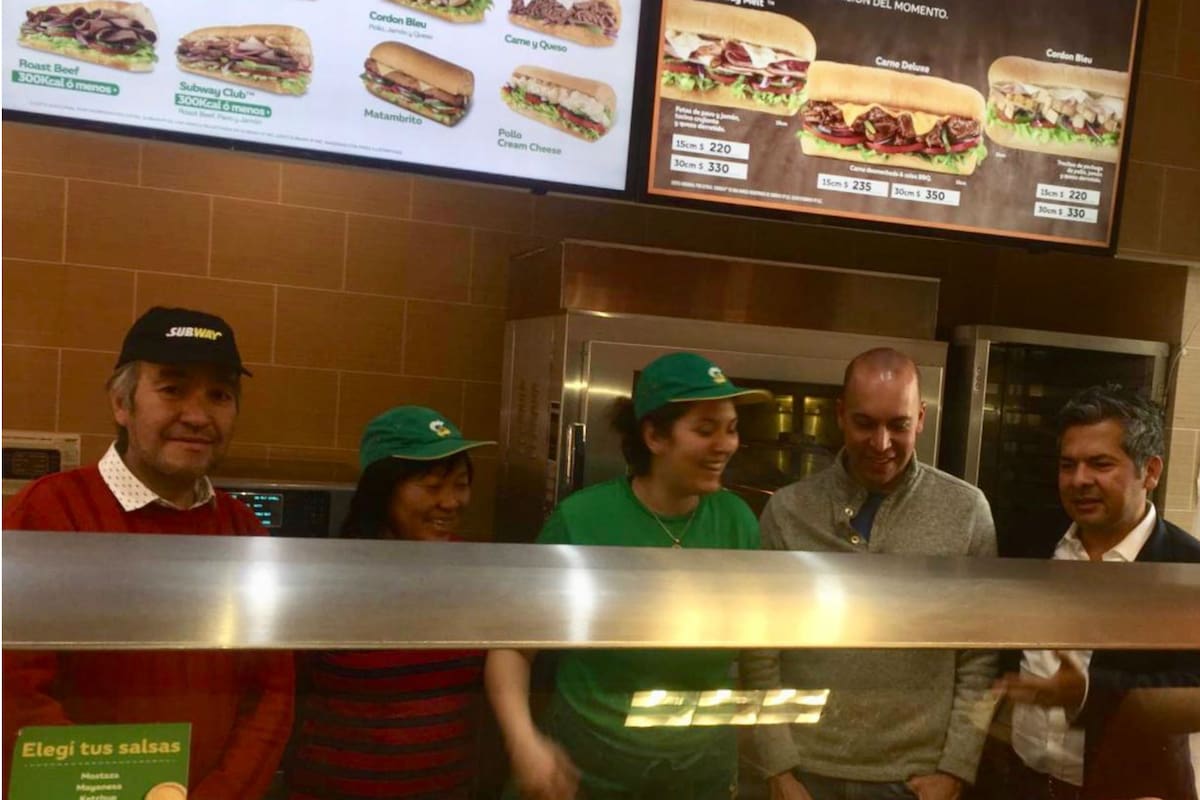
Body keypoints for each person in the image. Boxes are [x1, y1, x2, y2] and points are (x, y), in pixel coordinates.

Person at [2, 306, 295, 799]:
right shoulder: (44, 512)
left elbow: (273, 691)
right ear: (122, 403)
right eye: (172, 388)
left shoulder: (243, 530)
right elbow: (14, 694)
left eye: (219, 395)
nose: (198, 415)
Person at [486, 351, 771, 800]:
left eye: (732, 428)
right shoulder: (582, 519)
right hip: (588, 769)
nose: (726, 445)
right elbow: (513, 647)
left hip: (700, 775)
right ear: (654, 435)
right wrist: (524, 743)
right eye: (705, 429)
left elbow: (756, 643)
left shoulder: (738, 520)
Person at [742, 347, 997, 800]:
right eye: (865, 423)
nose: (881, 444)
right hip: (807, 770)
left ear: (920, 419)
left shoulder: (966, 511)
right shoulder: (788, 510)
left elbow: (978, 656)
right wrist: (777, 766)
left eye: (898, 425)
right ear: (840, 415)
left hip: (914, 777)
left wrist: (955, 769)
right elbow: (761, 650)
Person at [994, 385, 1200, 800]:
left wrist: (1089, 691)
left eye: (1100, 464)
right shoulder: (1031, 542)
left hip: (1131, 788)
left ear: (1151, 471)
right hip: (1019, 780)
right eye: (1068, 465)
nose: (1079, 480)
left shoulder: (1187, 567)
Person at [285, 406, 496, 799]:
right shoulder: (330, 580)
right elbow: (284, 696)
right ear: (382, 490)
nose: (451, 502)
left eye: (461, 484)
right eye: (432, 486)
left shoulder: (473, 571)